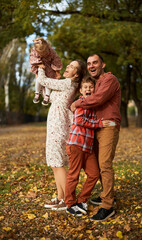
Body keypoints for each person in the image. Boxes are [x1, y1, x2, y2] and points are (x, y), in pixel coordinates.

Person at [71, 54, 121, 221]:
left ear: (103, 64)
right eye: (89, 63)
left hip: (108, 125)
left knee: (105, 164)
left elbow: (98, 99)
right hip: (96, 127)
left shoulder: (109, 79)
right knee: (99, 165)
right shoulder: (95, 84)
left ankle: (108, 206)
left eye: (95, 62)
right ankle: (107, 194)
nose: (91, 66)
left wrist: (77, 103)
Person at [52, 76, 110, 215]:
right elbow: (79, 121)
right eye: (86, 87)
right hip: (76, 145)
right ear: (81, 90)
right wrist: (99, 124)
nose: (88, 89)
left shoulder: (92, 104)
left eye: (91, 87)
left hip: (88, 148)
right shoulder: (81, 103)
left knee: (94, 174)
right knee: (74, 175)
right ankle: (70, 204)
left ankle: (81, 200)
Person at [36, 59, 87, 210]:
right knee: (54, 162)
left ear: (76, 74)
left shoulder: (68, 83)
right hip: (54, 123)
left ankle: (68, 199)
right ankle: (60, 196)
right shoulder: (64, 83)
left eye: (71, 67)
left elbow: (43, 80)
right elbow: (50, 97)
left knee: (58, 163)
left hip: (59, 123)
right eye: (69, 65)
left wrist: (40, 68)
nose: (67, 67)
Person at [29, 37, 62, 106]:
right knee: (38, 79)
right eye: (41, 53)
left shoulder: (51, 51)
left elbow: (56, 60)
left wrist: (57, 72)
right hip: (39, 66)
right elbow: (32, 58)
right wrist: (39, 64)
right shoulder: (34, 50)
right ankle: (37, 93)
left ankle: (47, 95)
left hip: (49, 67)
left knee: (48, 80)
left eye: (44, 52)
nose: (43, 54)